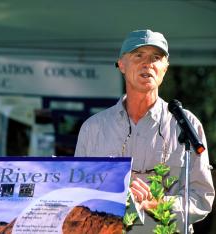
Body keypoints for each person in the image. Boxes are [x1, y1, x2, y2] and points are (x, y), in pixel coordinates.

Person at [74, 29, 215, 233]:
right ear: (121, 64)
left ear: (164, 69)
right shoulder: (93, 127)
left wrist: (156, 204)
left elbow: (202, 198)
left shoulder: (187, 124)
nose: (147, 63)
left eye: (156, 58)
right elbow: (78, 194)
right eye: (138, 55)